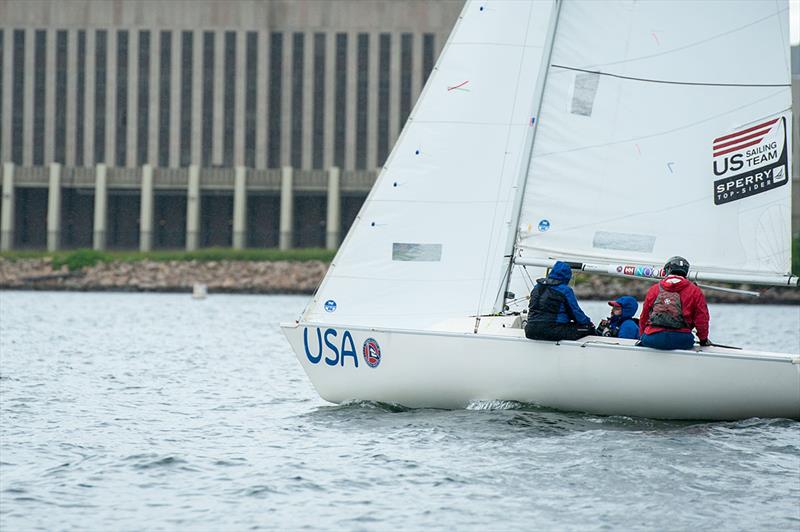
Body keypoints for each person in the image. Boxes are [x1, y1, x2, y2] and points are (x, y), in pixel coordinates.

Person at [638, 256, 710, 350]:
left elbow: (644, 316)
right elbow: (702, 319)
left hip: (653, 339)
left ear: (667, 270)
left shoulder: (654, 289)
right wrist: (703, 340)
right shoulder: (695, 291)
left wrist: (642, 335)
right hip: (682, 340)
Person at [525, 261, 596, 341]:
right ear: (567, 276)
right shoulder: (565, 290)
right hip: (551, 331)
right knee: (588, 328)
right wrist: (588, 323)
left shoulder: (537, 287)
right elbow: (575, 313)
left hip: (530, 330)